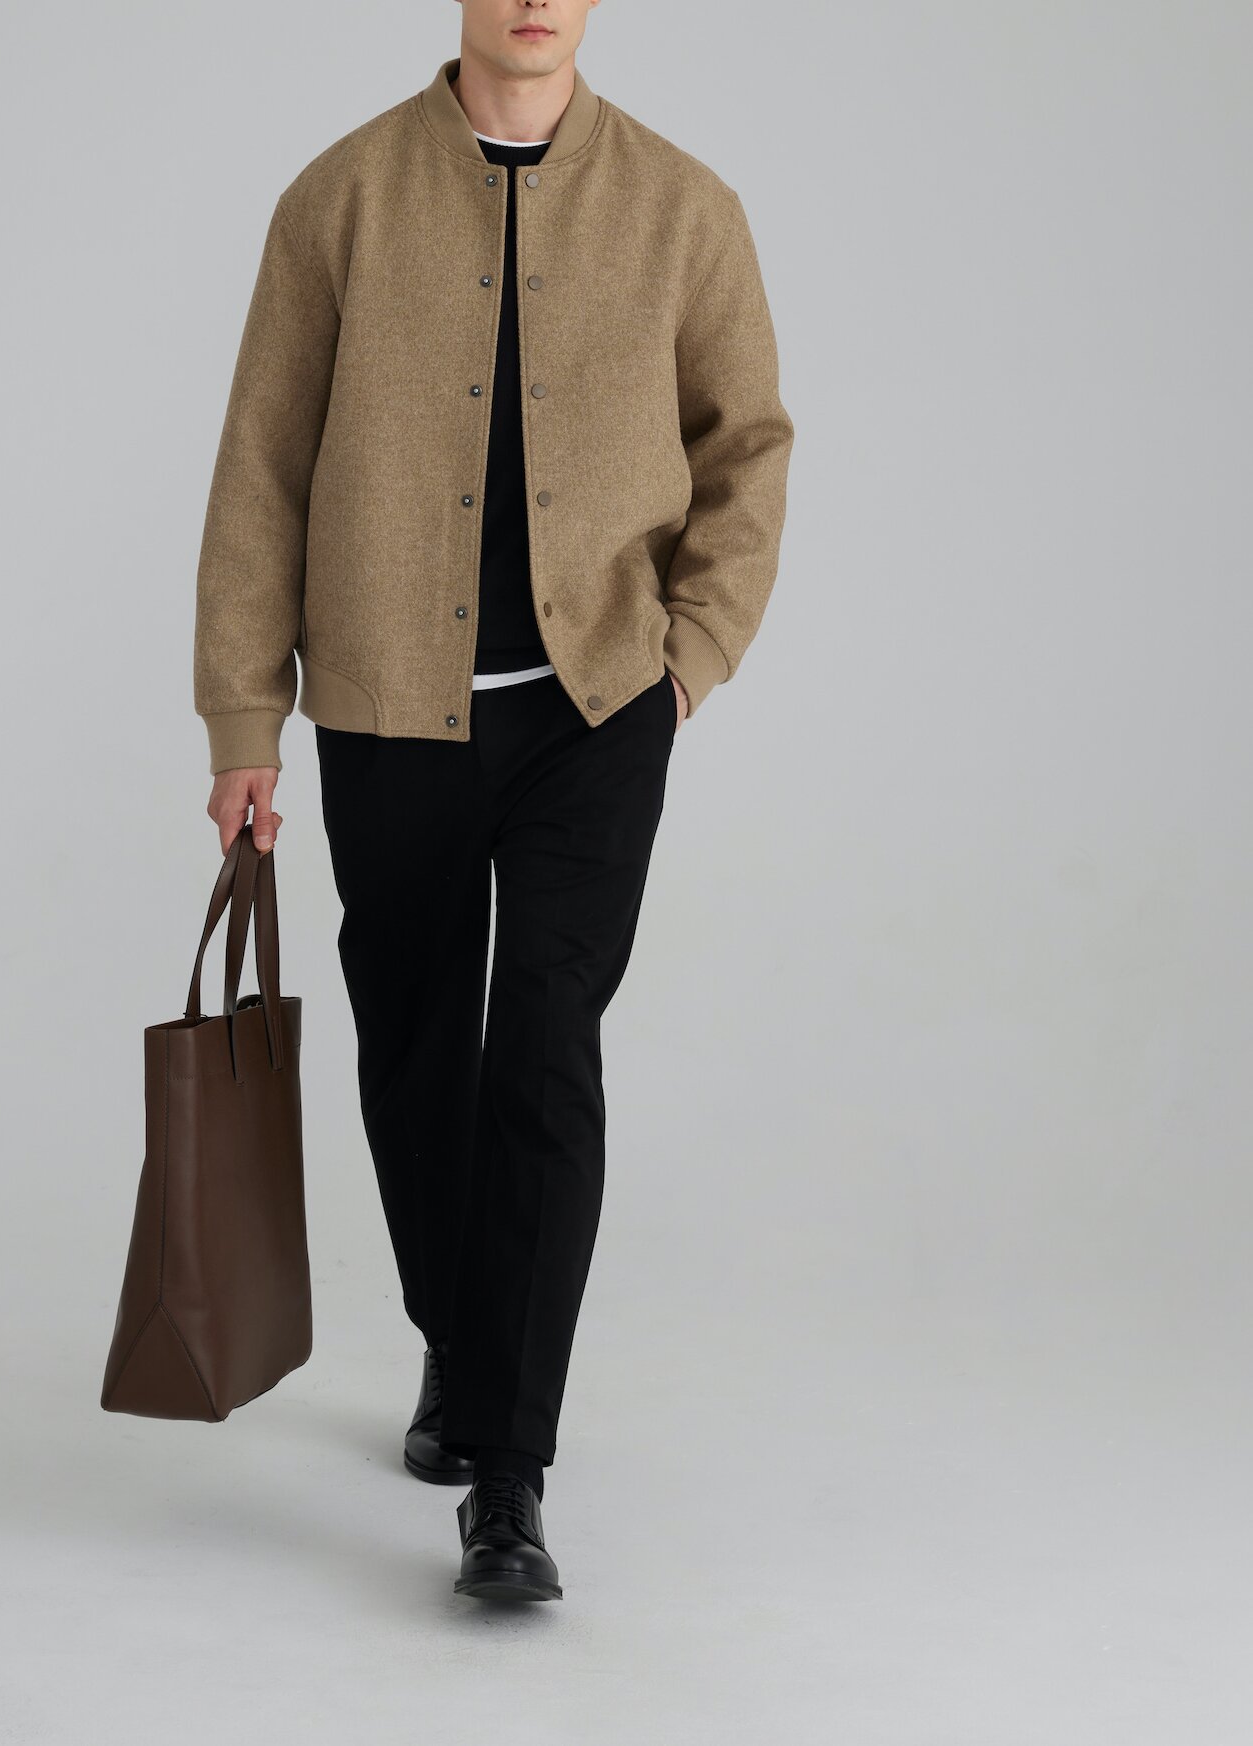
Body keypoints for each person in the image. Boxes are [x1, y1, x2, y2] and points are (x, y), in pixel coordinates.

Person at [193, 0, 793, 1603]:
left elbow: (748, 446)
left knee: (543, 1037)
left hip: (595, 707)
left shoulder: (685, 209)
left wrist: (688, 659)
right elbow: (261, 463)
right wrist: (245, 716)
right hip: (388, 701)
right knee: (414, 1044)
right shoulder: (339, 198)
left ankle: (509, 1471)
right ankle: (457, 1338)